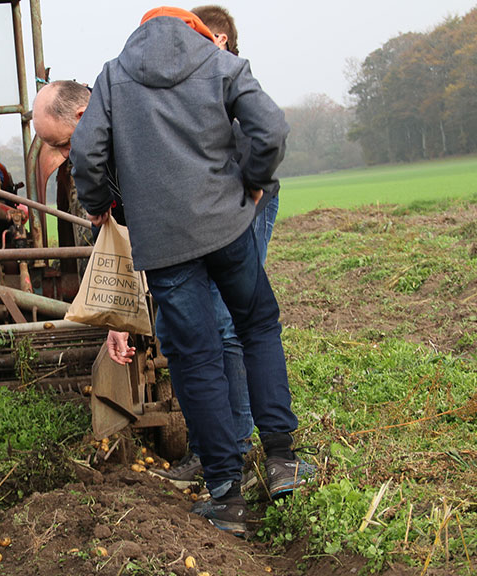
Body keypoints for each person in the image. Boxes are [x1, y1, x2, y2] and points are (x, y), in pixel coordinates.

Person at [69, 8, 314, 536]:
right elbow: (269, 127)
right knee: (256, 327)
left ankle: (226, 494)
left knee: (194, 356)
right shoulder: (218, 59)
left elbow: (86, 152)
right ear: (196, 30)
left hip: (163, 244)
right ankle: (282, 460)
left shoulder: (114, 75)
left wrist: (97, 205)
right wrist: (252, 181)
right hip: (228, 229)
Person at [154, 4, 285, 488]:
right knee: (201, 329)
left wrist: (252, 184)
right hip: (206, 214)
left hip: (243, 205)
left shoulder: (226, 76)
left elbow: (263, 135)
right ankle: (219, 452)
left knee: (230, 325)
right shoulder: (193, 82)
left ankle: (238, 451)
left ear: (221, 40)